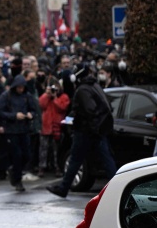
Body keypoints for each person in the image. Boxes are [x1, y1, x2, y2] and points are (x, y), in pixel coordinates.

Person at [47, 66, 117, 198]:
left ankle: (63, 188)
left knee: (76, 160)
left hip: (86, 131)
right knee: (106, 159)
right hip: (96, 130)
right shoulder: (94, 86)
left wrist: (77, 120)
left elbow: (90, 111)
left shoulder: (82, 90)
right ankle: (118, 186)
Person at [0, 75, 39, 191]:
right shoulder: (6, 96)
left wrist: (31, 115)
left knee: (26, 155)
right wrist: (14, 116)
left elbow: (34, 109)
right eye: (19, 87)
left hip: (24, 129)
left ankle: (15, 172)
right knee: (17, 155)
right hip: (11, 130)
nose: (20, 89)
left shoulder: (27, 96)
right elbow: (0, 112)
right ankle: (17, 180)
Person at [38, 77, 69, 177]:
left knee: (57, 150)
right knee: (43, 149)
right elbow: (41, 105)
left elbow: (62, 107)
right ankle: (42, 167)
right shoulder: (45, 96)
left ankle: (57, 167)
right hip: (46, 126)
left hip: (57, 127)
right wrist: (47, 95)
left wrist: (55, 97)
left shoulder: (63, 97)